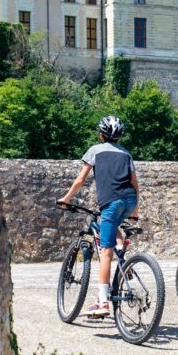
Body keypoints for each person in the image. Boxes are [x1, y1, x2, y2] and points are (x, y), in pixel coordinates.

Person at [58, 116, 139, 319]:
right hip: (128, 200)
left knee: (105, 252)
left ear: (101, 135)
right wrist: (135, 212)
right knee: (113, 231)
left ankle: (102, 302)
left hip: (110, 202)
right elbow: (135, 185)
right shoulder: (126, 154)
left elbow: (81, 179)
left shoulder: (95, 150)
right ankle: (123, 261)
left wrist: (66, 198)